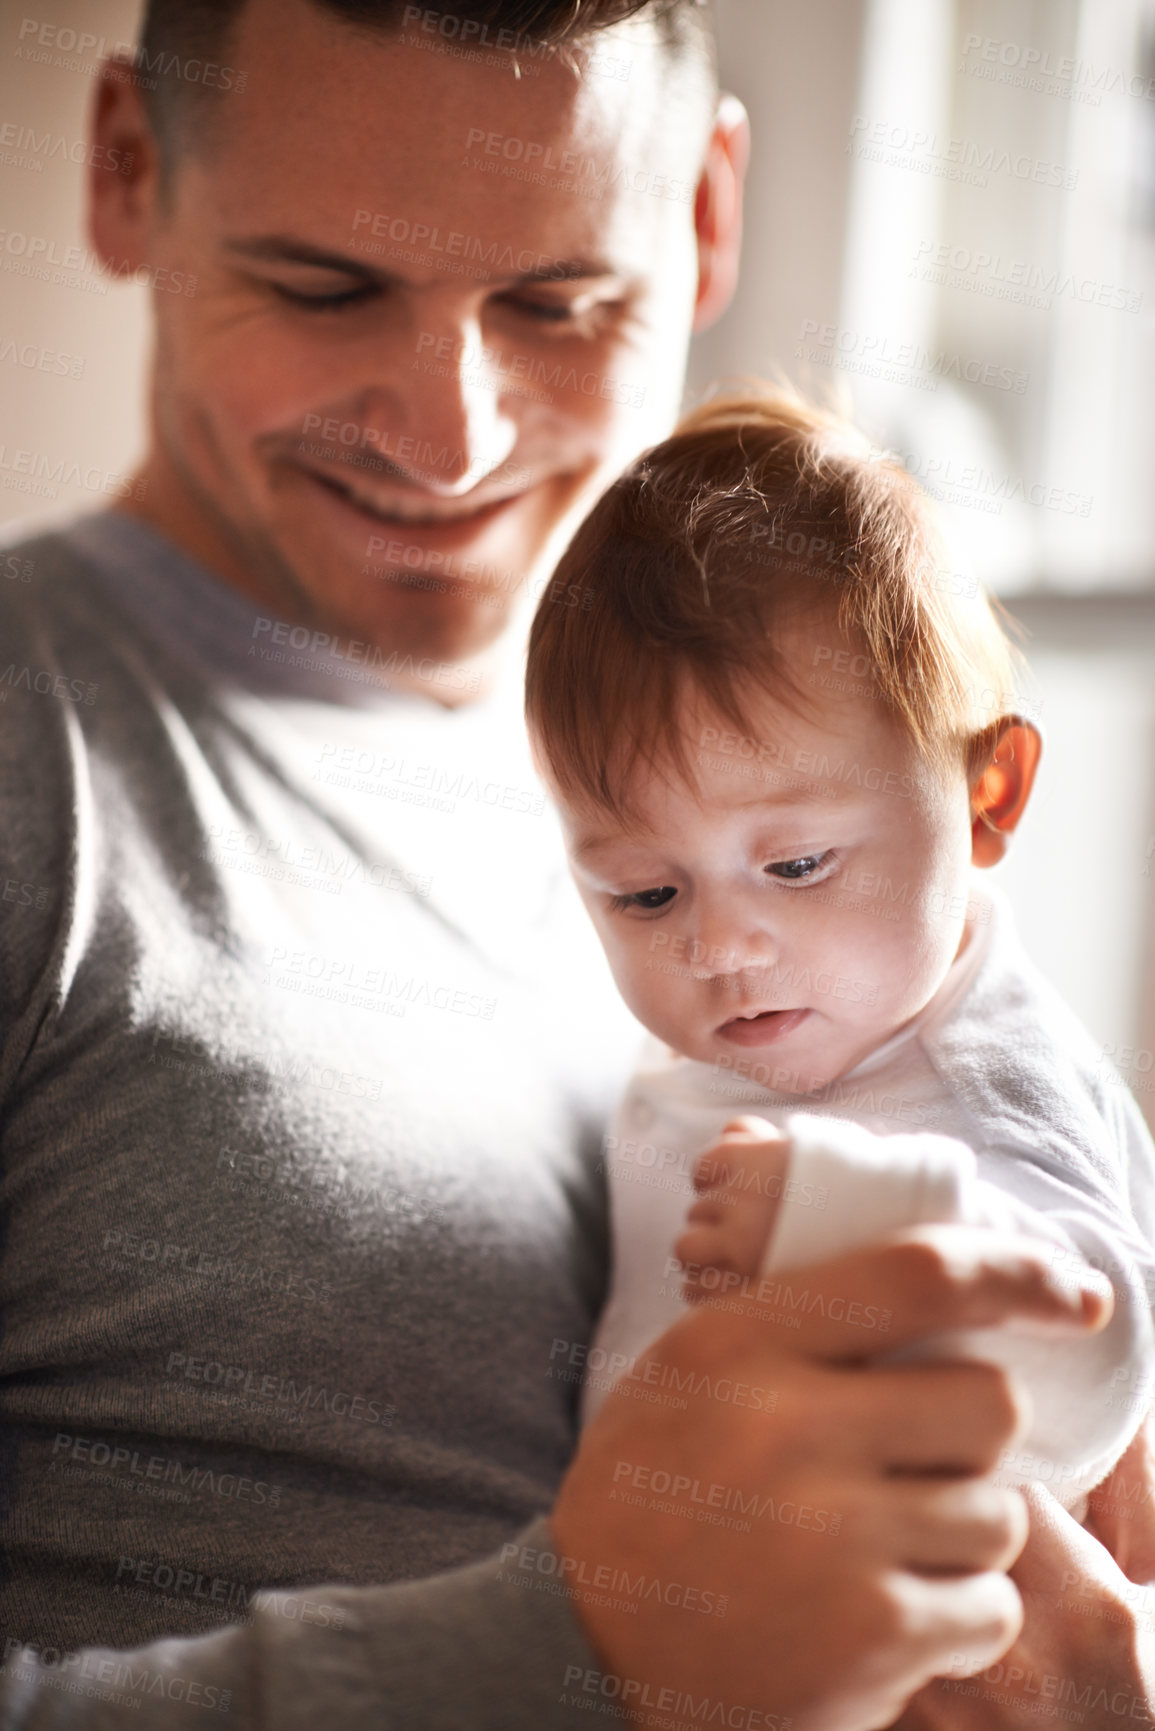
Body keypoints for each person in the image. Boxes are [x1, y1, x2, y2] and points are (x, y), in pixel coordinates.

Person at [0, 1, 1133, 1726]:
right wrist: (583, 1651)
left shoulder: (740, 784)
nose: (448, 438)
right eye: (324, 289)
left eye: (560, 302)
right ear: (128, 174)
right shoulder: (41, 771)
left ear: (705, 217)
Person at [524, 388, 1155, 1507]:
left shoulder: (983, 1077)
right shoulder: (724, 1052)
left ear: (985, 798)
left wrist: (850, 1222)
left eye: (800, 865)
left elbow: (1095, 1357)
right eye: (646, 893)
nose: (721, 946)